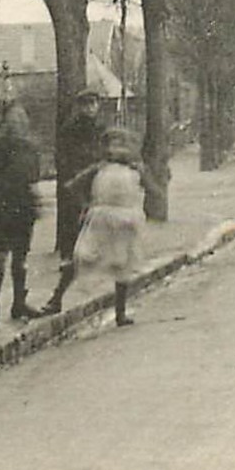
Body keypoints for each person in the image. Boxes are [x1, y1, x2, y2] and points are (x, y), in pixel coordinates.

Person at [67, 127, 154, 327]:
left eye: (123, 145)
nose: (119, 151)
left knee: (122, 264)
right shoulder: (99, 168)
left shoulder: (135, 170)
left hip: (125, 221)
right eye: (114, 146)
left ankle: (120, 313)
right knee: (83, 256)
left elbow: (153, 189)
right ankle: (56, 298)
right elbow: (73, 185)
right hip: (101, 219)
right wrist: (86, 204)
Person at [41, 86, 105, 314]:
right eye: (85, 104)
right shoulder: (70, 130)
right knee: (76, 239)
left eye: (92, 103)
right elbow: (64, 159)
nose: (89, 108)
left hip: (98, 190)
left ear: (98, 106)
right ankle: (59, 293)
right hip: (77, 189)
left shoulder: (101, 130)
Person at [0, 104, 41, 325]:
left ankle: (18, 303)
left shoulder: (31, 150)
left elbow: (34, 179)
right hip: (1, 210)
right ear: (5, 124)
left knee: (20, 259)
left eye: (21, 120)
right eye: (12, 121)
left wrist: (35, 202)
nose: (16, 125)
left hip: (23, 210)